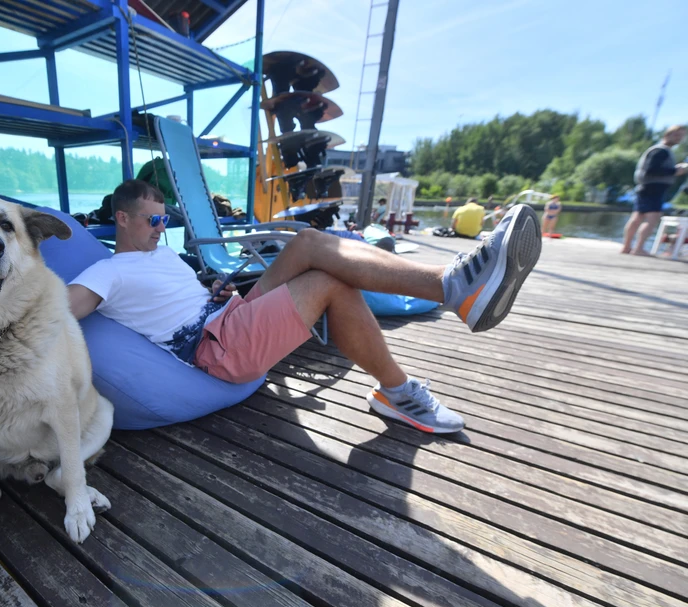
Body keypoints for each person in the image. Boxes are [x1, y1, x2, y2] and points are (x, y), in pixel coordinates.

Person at [68, 180, 541, 434]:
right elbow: (62, 309)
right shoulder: (106, 272)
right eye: (152, 219)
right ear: (122, 219)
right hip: (216, 349)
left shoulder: (163, 253)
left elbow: (170, 298)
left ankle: (455, 287)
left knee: (308, 241)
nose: (160, 225)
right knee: (327, 283)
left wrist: (211, 289)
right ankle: (449, 298)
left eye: (165, 218)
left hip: (226, 316)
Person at [621, 125, 688, 255]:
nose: (679, 138)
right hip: (654, 189)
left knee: (637, 217)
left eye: (681, 136)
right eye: (676, 135)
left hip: (646, 188)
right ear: (667, 135)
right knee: (652, 218)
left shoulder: (659, 150)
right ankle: (638, 248)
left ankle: (627, 247)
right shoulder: (661, 151)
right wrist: (676, 170)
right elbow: (652, 170)